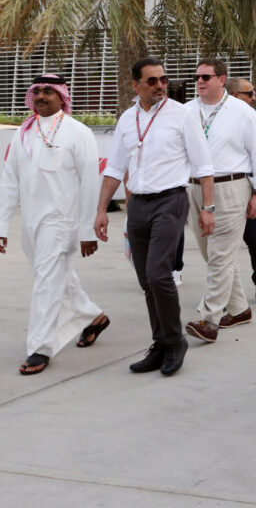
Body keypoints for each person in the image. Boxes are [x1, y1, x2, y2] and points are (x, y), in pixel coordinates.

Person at [95, 57, 215, 377]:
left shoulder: (182, 115)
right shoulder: (127, 119)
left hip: (170, 200)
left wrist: (208, 208)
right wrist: (101, 210)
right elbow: (115, 168)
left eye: (163, 79)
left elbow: (203, 165)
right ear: (135, 85)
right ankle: (160, 343)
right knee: (146, 279)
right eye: (152, 81)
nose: (160, 85)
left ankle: (175, 341)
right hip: (138, 204)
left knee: (159, 273)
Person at [0, 74, 108, 375]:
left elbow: (89, 184)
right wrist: (0, 226)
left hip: (61, 223)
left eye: (48, 91)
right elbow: (10, 181)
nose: (42, 96)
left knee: (46, 284)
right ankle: (93, 317)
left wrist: (87, 230)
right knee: (57, 278)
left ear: (62, 96)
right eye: (37, 91)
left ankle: (40, 348)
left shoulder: (77, 132)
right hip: (31, 223)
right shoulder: (24, 132)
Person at [183, 60, 256, 344]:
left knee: (220, 255)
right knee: (212, 254)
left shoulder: (243, 112)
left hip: (231, 186)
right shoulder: (186, 110)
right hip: (194, 187)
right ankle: (239, 309)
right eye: (197, 77)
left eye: (205, 77)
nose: (199, 81)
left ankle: (209, 319)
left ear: (221, 79)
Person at [226, 77, 256, 302]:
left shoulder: (250, 118)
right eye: (250, 93)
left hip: (247, 189)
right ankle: (224, 292)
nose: (254, 98)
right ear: (235, 96)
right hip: (222, 191)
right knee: (222, 246)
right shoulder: (217, 121)